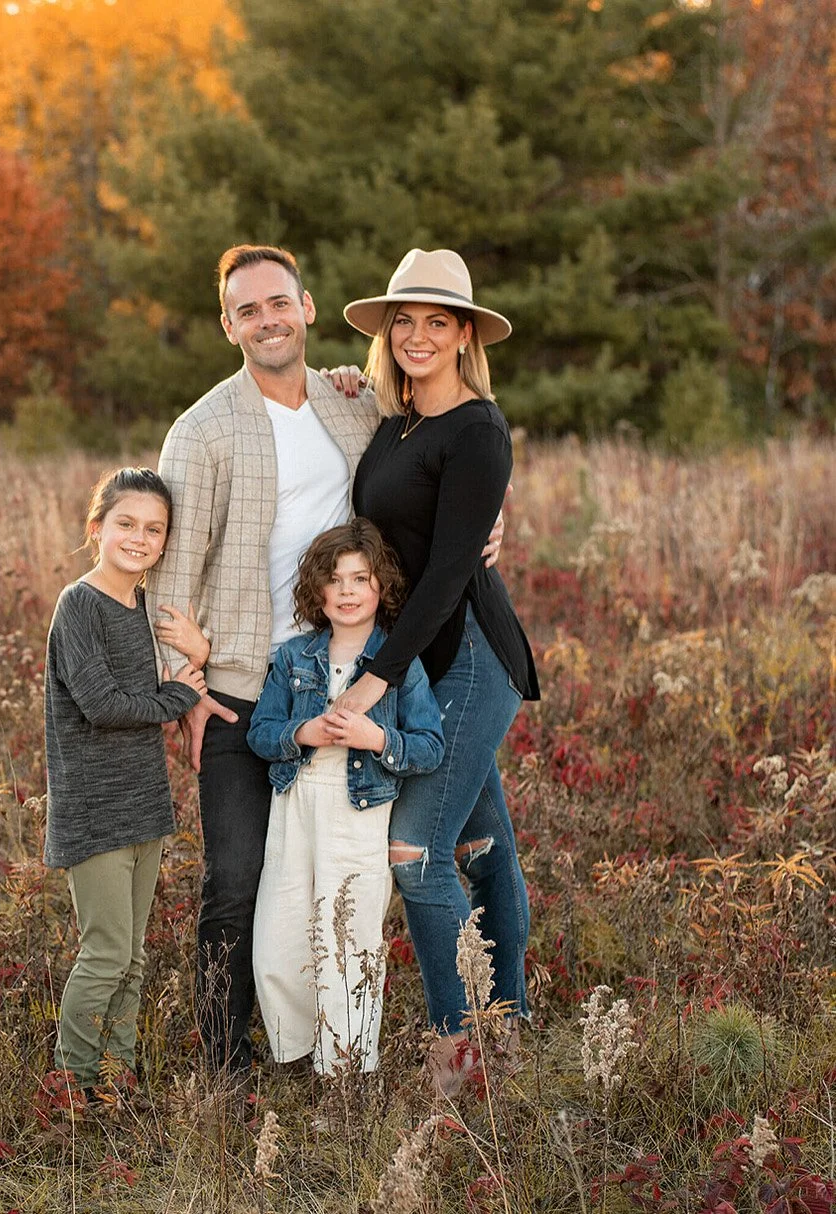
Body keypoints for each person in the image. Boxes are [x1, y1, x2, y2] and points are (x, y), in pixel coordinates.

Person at [147, 245, 504, 1076]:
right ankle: (226, 1065)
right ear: (227, 324)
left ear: (306, 308)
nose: (267, 320)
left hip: (349, 674)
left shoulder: (355, 404)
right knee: (238, 883)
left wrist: (494, 516)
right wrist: (190, 690)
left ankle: (364, 1047)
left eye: (280, 303)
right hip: (243, 689)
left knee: (350, 879)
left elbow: (455, 450)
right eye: (247, 310)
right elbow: (169, 577)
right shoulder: (200, 432)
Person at [331, 248, 541, 1097]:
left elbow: (452, 572)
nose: (419, 335)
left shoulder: (479, 428)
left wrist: (374, 680)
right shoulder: (394, 421)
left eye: (438, 322)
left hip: (468, 660)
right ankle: (512, 1022)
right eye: (404, 321)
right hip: (422, 663)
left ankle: (464, 1052)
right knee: (482, 843)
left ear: (464, 336)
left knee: (416, 853)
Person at [246, 519, 443, 1075]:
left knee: (350, 937)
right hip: (296, 802)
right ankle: (297, 1052)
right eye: (336, 580)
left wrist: (374, 738)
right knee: (280, 935)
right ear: (318, 591)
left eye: (361, 578)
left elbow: (429, 746)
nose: (349, 591)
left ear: (381, 587)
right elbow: (262, 733)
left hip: (360, 809)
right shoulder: (293, 658)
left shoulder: (399, 665)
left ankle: (347, 1070)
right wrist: (302, 733)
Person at [44, 467, 211, 1097]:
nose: (139, 538)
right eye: (126, 524)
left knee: (134, 959)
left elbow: (185, 671)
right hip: (94, 812)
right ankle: (73, 1085)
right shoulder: (79, 605)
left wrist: (198, 656)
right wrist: (173, 698)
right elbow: (103, 703)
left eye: (153, 529)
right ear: (97, 529)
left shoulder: (146, 607)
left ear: (165, 541)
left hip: (145, 804)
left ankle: (119, 1077)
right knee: (106, 955)